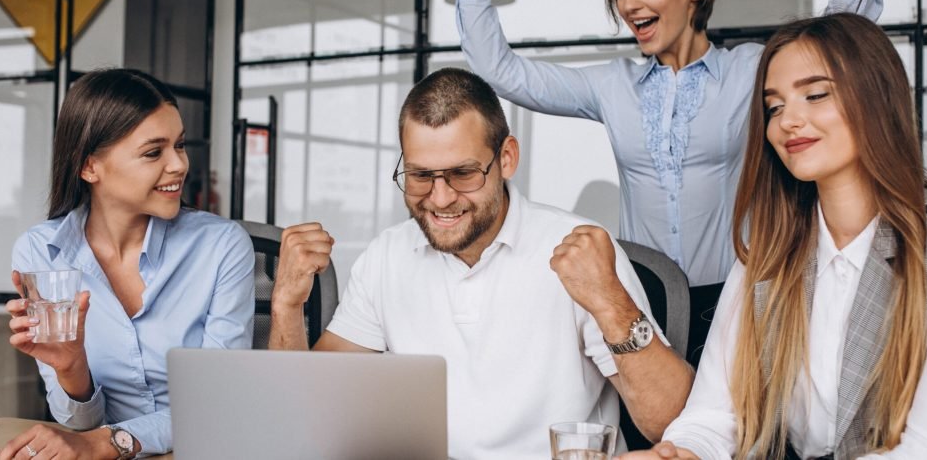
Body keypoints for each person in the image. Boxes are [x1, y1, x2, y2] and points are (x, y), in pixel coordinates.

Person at [451, 0, 887, 367]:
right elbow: (500, 70)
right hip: (640, 302)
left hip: (739, 301)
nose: (630, 3)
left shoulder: (751, 70)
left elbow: (837, 36)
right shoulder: (611, 85)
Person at [624, 13, 927, 459]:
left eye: (816, 94)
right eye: (775, 107)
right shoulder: (769, 251)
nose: (789, 120)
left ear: (877, 98)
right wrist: (674, 454)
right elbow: (714, 417)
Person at [268, 68, 694, 458]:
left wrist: (611, 304)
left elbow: (671, 424)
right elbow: (308, 416)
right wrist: (286, 306)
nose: (439, 199)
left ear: (506, 158)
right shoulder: (386, 255)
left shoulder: (577, 250)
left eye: (463, 173)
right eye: (420, 175)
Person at [0, 69, 255, 459]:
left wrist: (111, 442)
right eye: (154, 152)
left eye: (179, 145)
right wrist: (72, 370)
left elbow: (216, 407)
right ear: (89, 167)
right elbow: (77, 425)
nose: (179, 165)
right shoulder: (40, 252)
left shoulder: (221, 246)